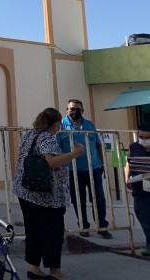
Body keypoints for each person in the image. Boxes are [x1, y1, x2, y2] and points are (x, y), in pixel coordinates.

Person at [14, 108, 84, 280]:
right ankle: (55, 270)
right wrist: (74, 153)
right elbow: (50, 161)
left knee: (33, 231)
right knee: (53, 232)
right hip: (46, 196)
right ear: (55, 124)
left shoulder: (30, 134)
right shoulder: (46, 137)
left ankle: (33, 267)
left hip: (25, 190)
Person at [57, 98, 111, 238]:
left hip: (93, 167)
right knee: (78, 198)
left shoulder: (89, 125)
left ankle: (102, 226)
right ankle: (83, 225)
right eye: (71, 109)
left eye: (77, 109)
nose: (74, 111)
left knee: (98, 197)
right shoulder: (62, 127)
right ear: (67, 110)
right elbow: (56, 148)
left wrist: (101, 163)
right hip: (73, 169)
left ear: (82, 111)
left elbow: (98, 144)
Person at [125, 124, 150, 257]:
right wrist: (127, 178)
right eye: (141, 137)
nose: (143, 140)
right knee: (143, 216)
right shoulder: (134, 147)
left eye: (147, 137)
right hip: (139, 187)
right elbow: (128, 163)